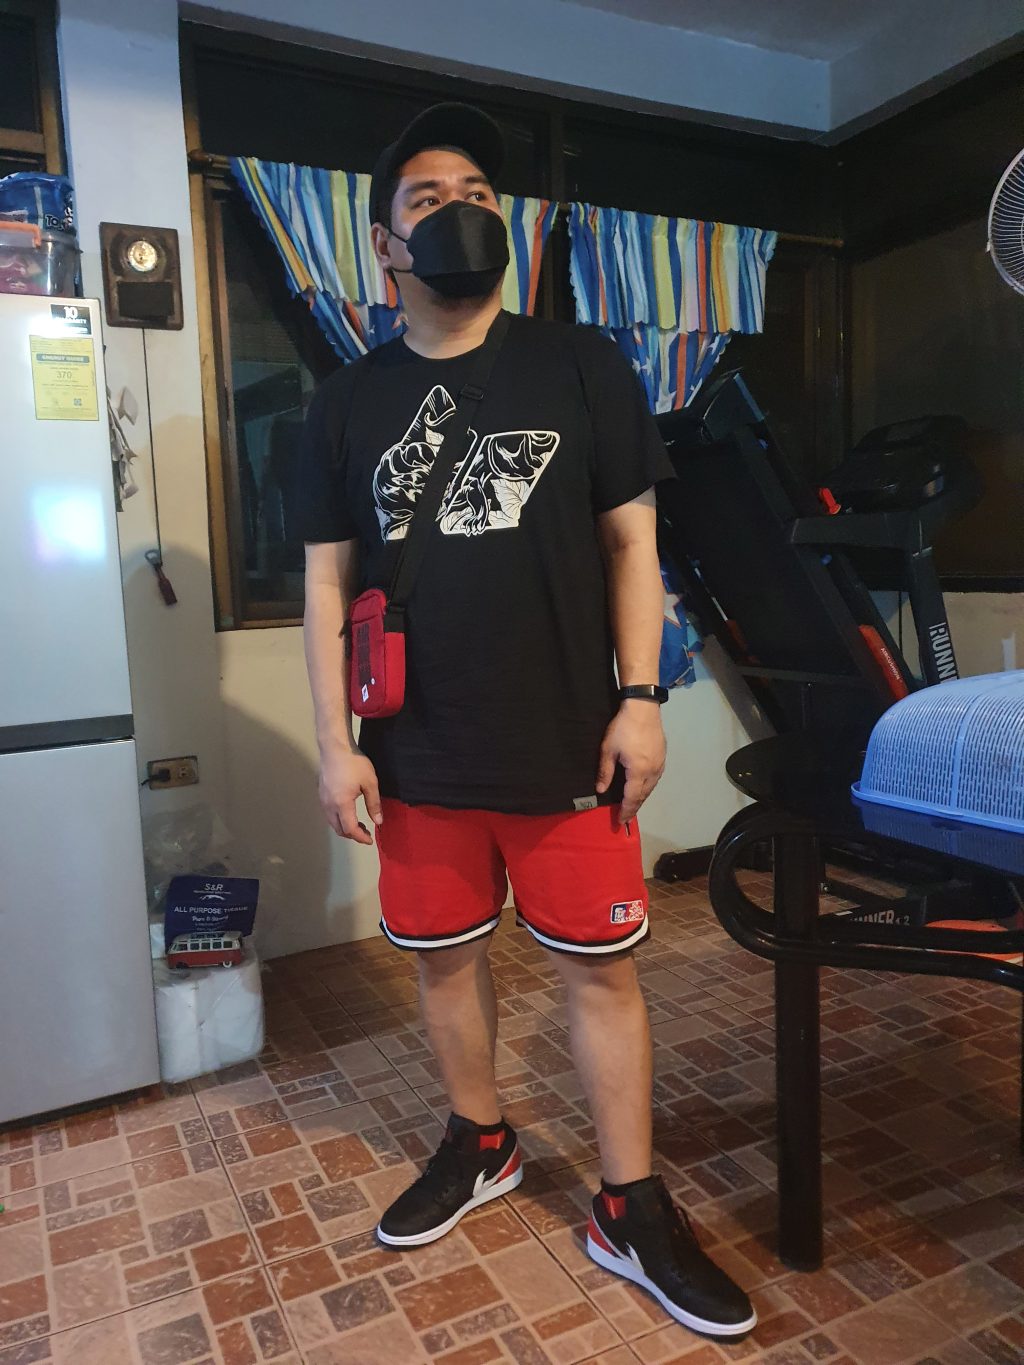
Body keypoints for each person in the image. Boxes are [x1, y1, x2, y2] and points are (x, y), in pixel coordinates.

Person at [298, 102, 755, 1339]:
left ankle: (627, 1205)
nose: (461, 212)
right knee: (443, 958)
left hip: (567, 740)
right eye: (428, 200)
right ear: (384, 245)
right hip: (414, 748)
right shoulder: (342, 403)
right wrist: (336, 745)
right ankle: (481, 1139)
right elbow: (328, 585)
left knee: (600, 972)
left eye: (477, 195)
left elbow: (631, 545)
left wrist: (642, 701)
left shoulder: (580, 363)